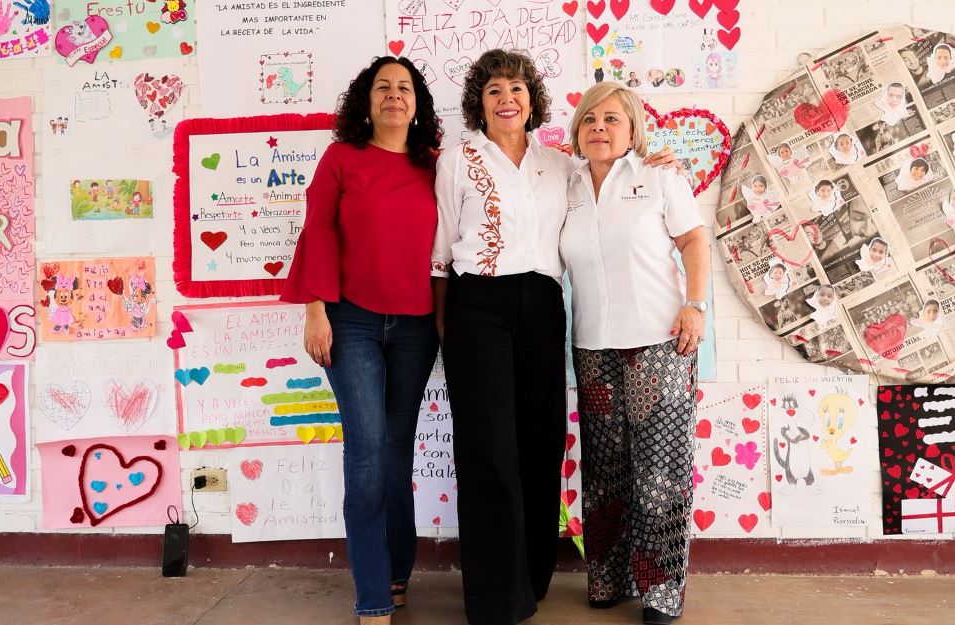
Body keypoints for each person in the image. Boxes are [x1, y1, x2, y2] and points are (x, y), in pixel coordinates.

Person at [430, 50, 678, 625]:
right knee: (489, 448)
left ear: (532, 100)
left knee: (541, 443)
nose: (507, 99)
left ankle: (533, 577)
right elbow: (441, 249)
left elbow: (612, 180)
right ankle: (496, 598)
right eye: (494, 90)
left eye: (516, 88)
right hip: (477, 305)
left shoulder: (561, 164)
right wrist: (445, 323)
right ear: (480, 102)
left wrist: (654, 161)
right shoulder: (457, 160)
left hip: (543, 306)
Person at [280, 56, 442, 625]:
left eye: (405, 88)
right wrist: (315, 310)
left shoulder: (435, 165)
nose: (394, 95)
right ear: (366, 101)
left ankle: (397, 572)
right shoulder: (341, 158)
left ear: (417, 104)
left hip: (417, 326)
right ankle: (372, 592)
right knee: (368, 449)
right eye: (383, 87)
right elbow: (317, 231)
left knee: (398, 450)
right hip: (350, 321)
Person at [560, 82, 710, 625]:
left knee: (659, 471)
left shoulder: (659, 175)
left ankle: (661, 592)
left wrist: (695, 305)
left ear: (632, 130)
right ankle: (609, 578)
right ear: (578, 128)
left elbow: (694, 241)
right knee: (605, 472)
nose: (599, 127)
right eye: (590, 118)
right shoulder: (565, 182)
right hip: (593, 345)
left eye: (612, 119)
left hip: (659, 342)